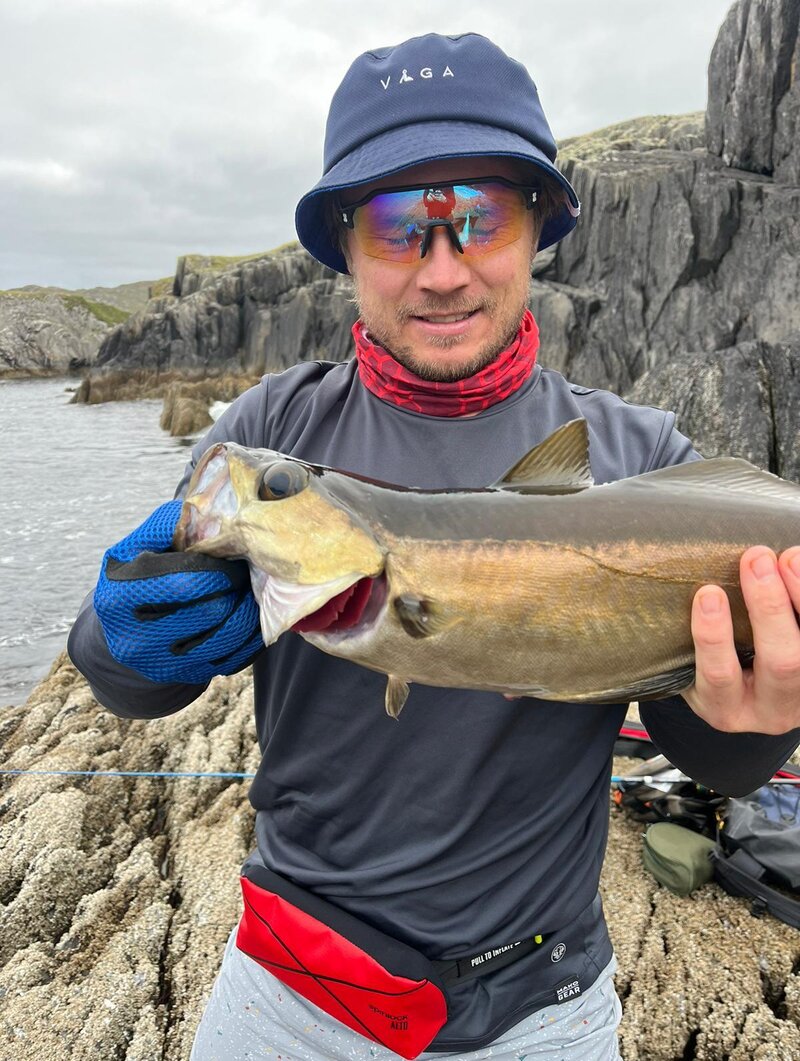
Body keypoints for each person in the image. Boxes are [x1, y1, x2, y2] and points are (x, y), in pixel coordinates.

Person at [68, 32, 800, 1061]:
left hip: (543, 1002)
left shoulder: (641, 459)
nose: (442, 269)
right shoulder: (273, 435)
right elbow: (125, 677)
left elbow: (709, 749)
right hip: (289, 987)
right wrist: (123, 637)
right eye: (398, 223)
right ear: (343, 244)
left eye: (480, 217)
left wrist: (756, 722)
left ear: (539, 223)